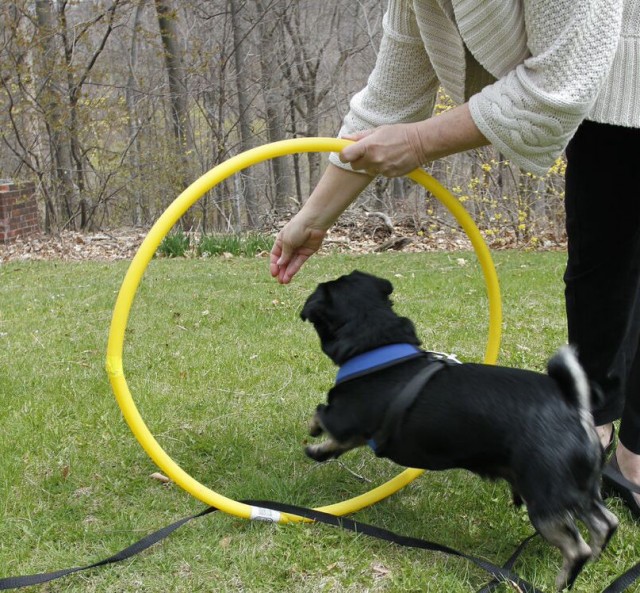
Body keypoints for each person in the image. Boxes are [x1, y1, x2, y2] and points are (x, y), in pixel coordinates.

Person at [269, 0, 640, 516]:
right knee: (601, 270)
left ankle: (635, 455)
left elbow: (558, 84)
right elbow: (385, 104)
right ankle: (590, 432)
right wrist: (313, 218)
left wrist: (420, 141)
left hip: (617, 62)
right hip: (600, 100)